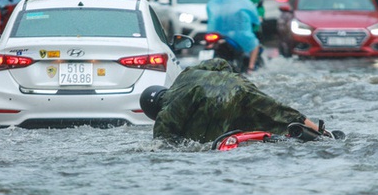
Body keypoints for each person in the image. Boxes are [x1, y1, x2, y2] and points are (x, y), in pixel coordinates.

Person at [139, 58, 333, 144]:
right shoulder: (185, 74)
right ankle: (321, 132)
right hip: (238, 85)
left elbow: (164, 145)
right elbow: (220, 63)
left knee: (210, 141)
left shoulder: (165, 115)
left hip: (220, 113)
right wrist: (228, 83)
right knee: (279, 111)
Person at [206, 0, 261, 72]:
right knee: (255, 44)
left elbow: (210, 13)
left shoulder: (215, 0)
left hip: (216, 34)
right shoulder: (242, 0)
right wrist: (257, 22)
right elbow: (254, 16)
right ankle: (251, 68)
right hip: (238, 35)